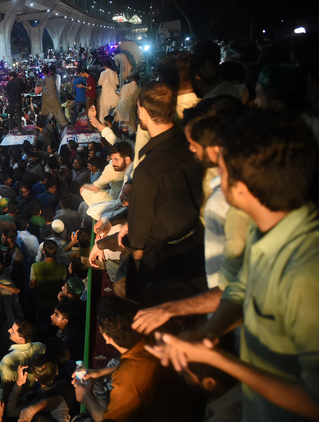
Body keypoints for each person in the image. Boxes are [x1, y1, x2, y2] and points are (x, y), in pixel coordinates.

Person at [149, 111, 319, 421]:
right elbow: (241, 288)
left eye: (223, 171)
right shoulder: (265, 224)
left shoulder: (305, 274)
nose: (217, 179)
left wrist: (220, 360)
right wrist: (209, 332)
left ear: (242, 188)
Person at [122, 81, 205, 301]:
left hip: (161, 260)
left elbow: (138, 243)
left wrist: (137, 261)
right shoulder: (189, 143)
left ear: (142, 110)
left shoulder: (148, 170)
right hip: (195, 247)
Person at [73, 296, 204, 421]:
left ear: (106, 337)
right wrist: (100, 373)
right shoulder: (152, 336)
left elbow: (109, 421)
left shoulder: (129, 377)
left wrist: (86, 397)